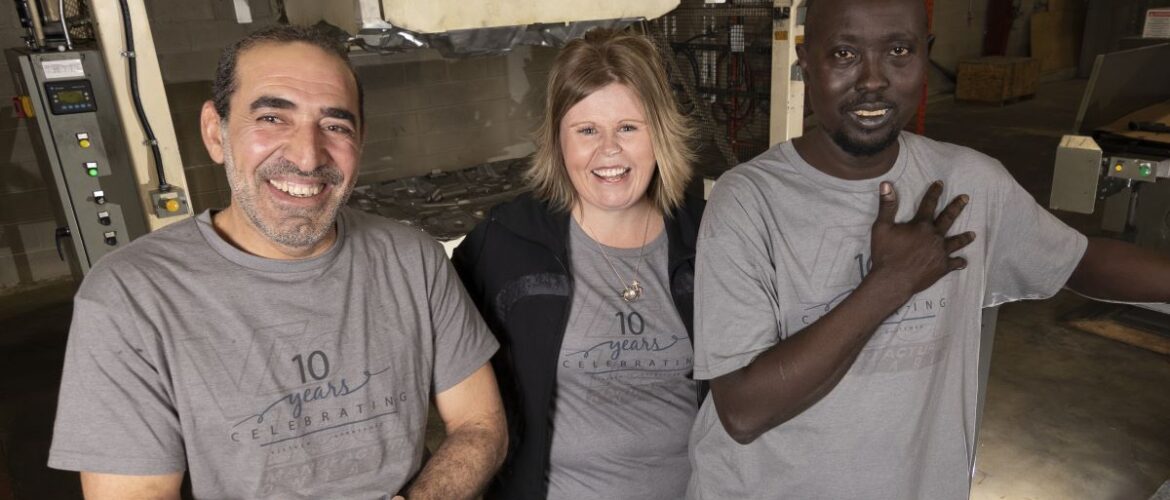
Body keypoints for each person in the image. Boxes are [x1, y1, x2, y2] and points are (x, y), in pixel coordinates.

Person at [687, 0, 1170, 498]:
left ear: (925, 55)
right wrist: (890, 284)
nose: (873, 80)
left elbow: (1080, 261)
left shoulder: (971, 181)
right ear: (807, 61)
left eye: (898, 51)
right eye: (844, 54)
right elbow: (743, 411)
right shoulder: (748, 201)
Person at [47, 25, 506, 500]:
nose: (308, 157)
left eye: (335, 126)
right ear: (215, 132)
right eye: (272, 118)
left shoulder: (413, 259)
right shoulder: (129, 297)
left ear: (360, 142)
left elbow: (480, 426)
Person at [452, 28, 704, 499]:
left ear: (660, 133)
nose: (609, 150)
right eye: (587, 130)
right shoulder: (505, 245)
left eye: (628, 127)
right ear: (558, 141)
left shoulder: (708, 239)